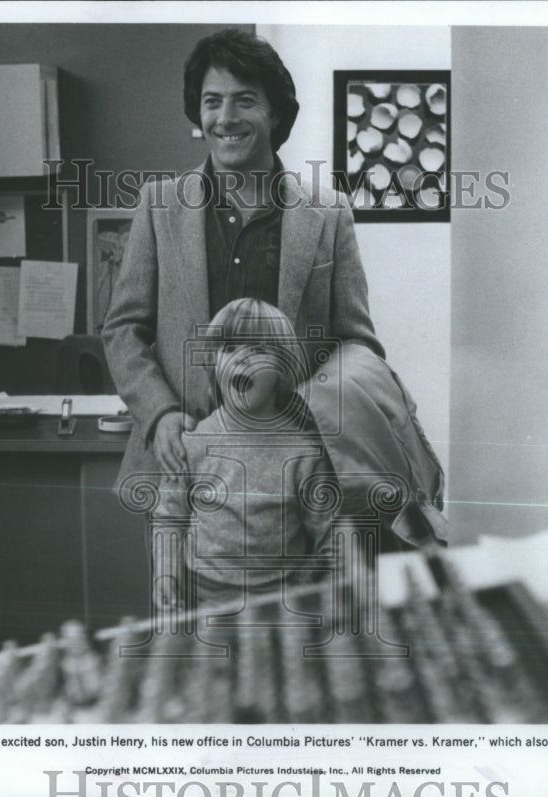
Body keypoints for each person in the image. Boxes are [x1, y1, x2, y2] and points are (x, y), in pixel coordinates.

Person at [102, 27, 382, 487]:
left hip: (294, 472)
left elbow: (357, 346)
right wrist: (159, 412)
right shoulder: (158, 206)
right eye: (212, 102)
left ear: (275, 113)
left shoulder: (328, 215)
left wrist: (311, 416)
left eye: (245, 100)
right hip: (181, 466)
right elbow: (122, 330)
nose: (225, 118)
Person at [151, 298, 335, 609]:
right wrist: (166, 576)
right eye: (228, 349)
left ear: (283, 369)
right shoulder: (192, 442)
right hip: (204, 604)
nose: (241, 360)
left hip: (284, 607)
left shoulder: (305, 452)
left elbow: (328, 535)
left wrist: (319, 586)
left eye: (258, 350)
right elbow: (169, 520)